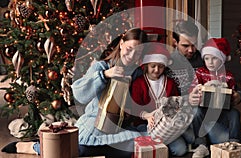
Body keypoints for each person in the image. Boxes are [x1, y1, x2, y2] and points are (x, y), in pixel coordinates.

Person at [1, 28, 148, 158]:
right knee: (79, 149)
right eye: (129, 49)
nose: (132, 55)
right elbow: (79, 95)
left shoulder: (138, 73)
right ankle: (33, 147)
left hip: (120, 126)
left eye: (138, 52)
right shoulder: (102, 66)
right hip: (95, 123)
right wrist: (104, 75)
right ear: (121, 44)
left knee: (131, 149)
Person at [130, 43, 191, 156]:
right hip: (145, 124)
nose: (157, 70)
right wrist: (147, 116)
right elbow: (134, 107)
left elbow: (177, 102)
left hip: (168, 126)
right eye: (153, 66)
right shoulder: (138, 83)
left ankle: (164, 146)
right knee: (150, 148)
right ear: (146, 65)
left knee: (180, 150)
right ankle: (160, 148)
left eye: (161, 66)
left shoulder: (170, 83)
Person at [189, 38, 241, 158]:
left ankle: (235, 142)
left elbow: (233, 93)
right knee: (196, 112)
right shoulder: (200, 72)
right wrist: (196, 91)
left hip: (222, 111)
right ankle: (201, 144)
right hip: (204, 110)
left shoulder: (228, 76)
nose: (210, 62)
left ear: (223, 59)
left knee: (235, 113)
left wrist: (234, 95)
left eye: (215, 58)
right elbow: (192, 89)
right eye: (207, 58)